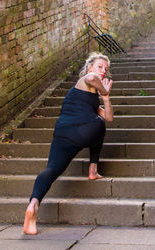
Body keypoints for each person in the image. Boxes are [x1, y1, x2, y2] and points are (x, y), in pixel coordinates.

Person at [23, 52, 113, 235]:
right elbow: (91, 78)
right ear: (89, 67)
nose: (103, 71)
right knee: (99, 124)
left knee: (52, 170)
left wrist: (105, 98)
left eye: (106, 69)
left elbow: (109, 116)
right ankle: (93, 170)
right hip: (83, 129)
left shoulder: (88, 97)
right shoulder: (85, 80)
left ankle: (33, 204)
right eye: (99, 66)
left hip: (63, 131)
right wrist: (105, 92)